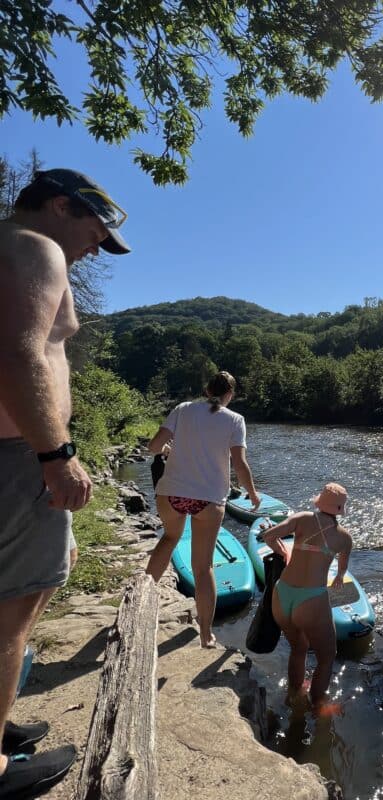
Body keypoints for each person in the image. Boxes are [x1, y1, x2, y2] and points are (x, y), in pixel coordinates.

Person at [0, 168, 131, 798]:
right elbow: (19, 354)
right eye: (95, 233)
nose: (94, 250)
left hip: (15, 452)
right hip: (19, 455)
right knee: (12, 612)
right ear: (59, 206)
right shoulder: (34, 247)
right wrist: (57, 455)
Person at [145, 371, 260, 648]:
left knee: (169, 539)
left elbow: (153, 447)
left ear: (207, 391)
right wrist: (253, 494)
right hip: (208, 499)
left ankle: (141, 602)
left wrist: (168, 451)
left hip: (172, 493)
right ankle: (206, 634)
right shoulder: (235, 420)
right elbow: (239, 464)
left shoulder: (183, 409)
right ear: (230, 394)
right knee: (203, 566)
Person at [259, 483, 352, 712]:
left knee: (298, 648)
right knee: (327, 656)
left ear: (320, 502)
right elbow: (342, 569)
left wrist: (283, 552)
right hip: (311, 599)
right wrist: (339, 577)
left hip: (283, 593)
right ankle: (318, 705)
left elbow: (269, 536)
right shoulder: (344, 537)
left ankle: (294, 694)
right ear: (340, 509)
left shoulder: (301, 518)